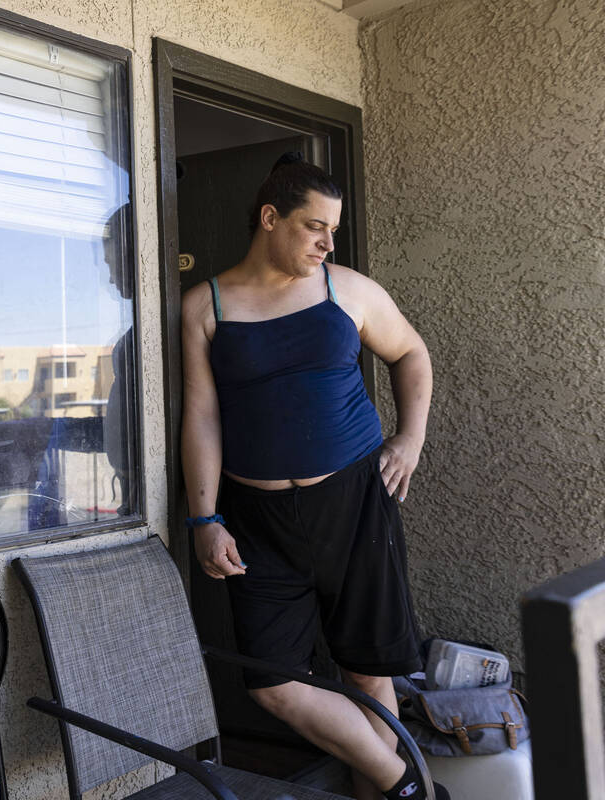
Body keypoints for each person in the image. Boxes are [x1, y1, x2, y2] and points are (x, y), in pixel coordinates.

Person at [180, 154, 445, 800]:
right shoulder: (205, 306)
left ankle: (381, 792)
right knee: (271, 680)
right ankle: (407, 786)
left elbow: (411, 352)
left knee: (367, 672)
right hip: (257, 521)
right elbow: (202, 415)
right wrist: (204, 518)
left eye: (333, 229)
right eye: (314, 226)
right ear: (270, 219)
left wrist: (410, 438)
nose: (328, 242)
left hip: (355, 502)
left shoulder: (347, 290)